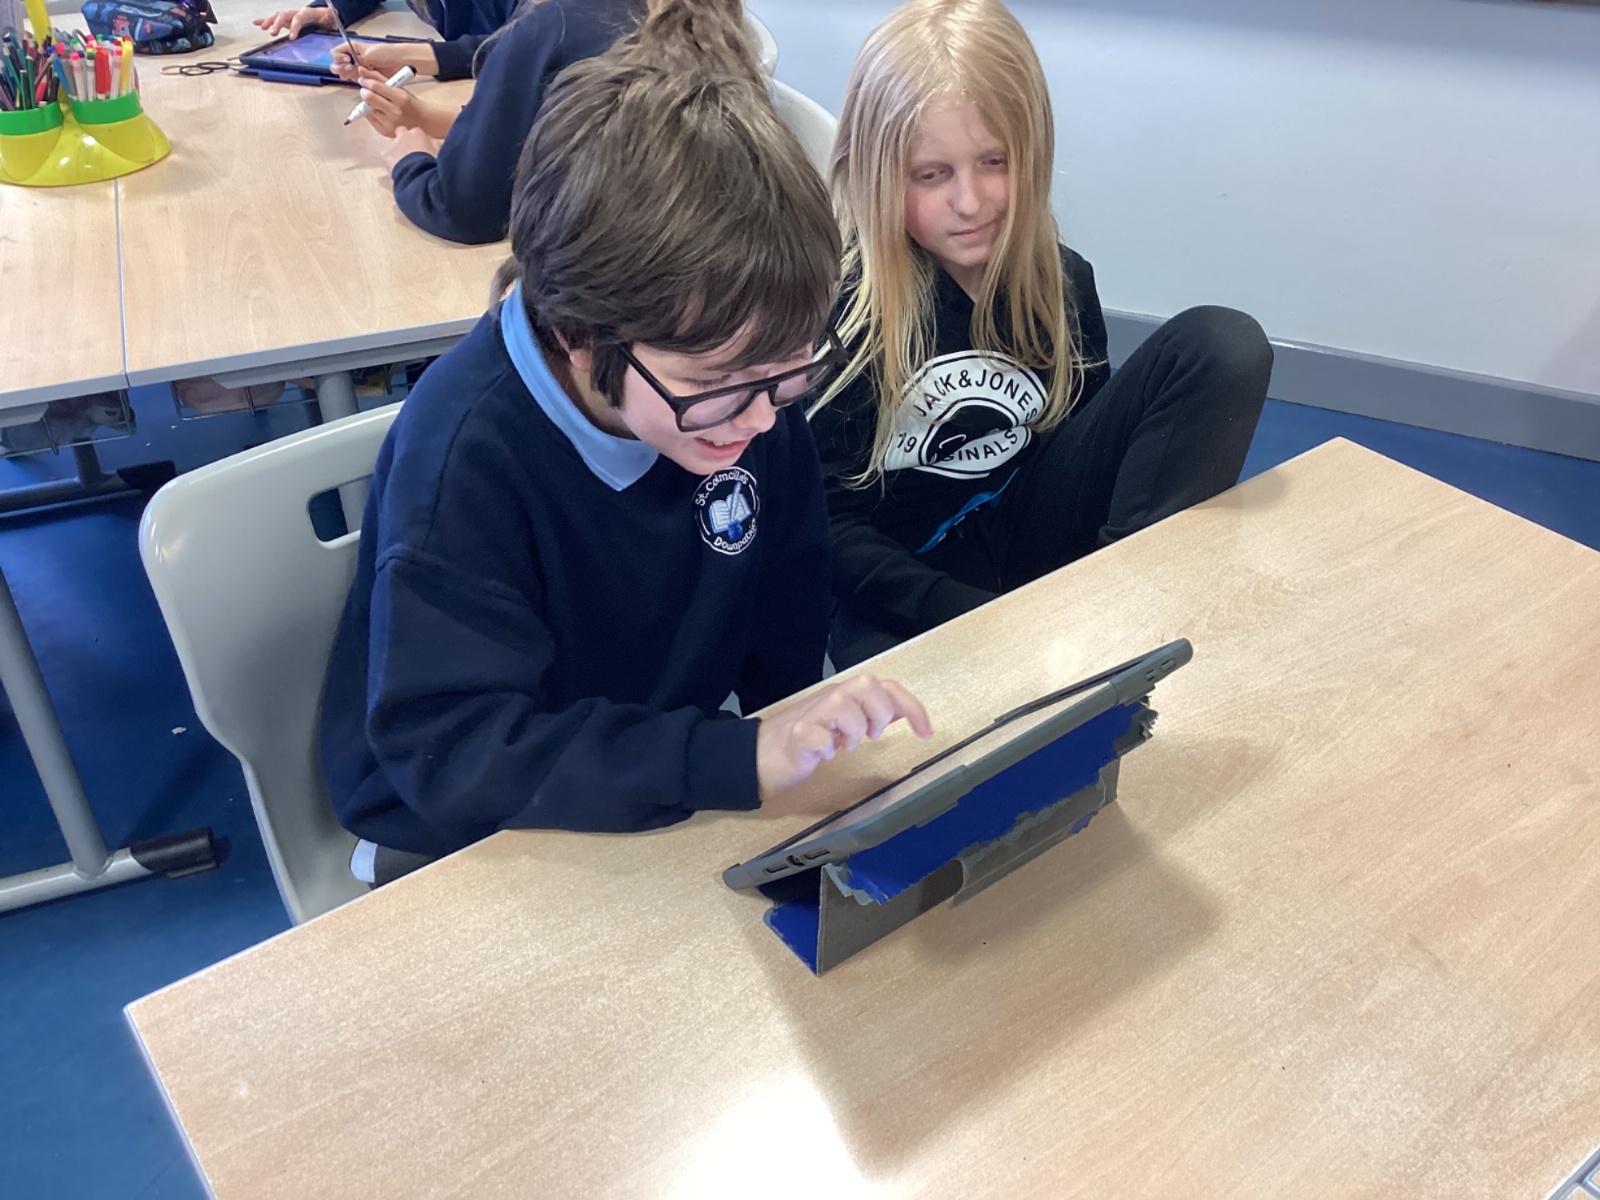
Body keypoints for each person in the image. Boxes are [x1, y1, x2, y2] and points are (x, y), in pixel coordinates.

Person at [320, 1, 930, 885]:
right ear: (580, 337)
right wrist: (729, 759)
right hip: (475, 824)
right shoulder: (465, 459)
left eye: (789, 371)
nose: (762, 419)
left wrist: (804, 739)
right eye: (719, 388)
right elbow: (454, 754)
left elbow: (787, 606)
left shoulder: (739, 381)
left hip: (653, 761)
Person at [810, 0, 1274, 669]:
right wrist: (976, 619)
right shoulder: (847, 315)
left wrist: (1074, 594)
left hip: (1027, 538)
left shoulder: (1061, 283)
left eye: (994, 162)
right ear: (879, 172)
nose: (970, 202)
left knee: (1222, 345)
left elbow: (1086, 450)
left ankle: (1131, 613)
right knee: (923, 717)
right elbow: (826, 529)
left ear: (1032, 153)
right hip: (904, 587)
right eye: (932, 174)